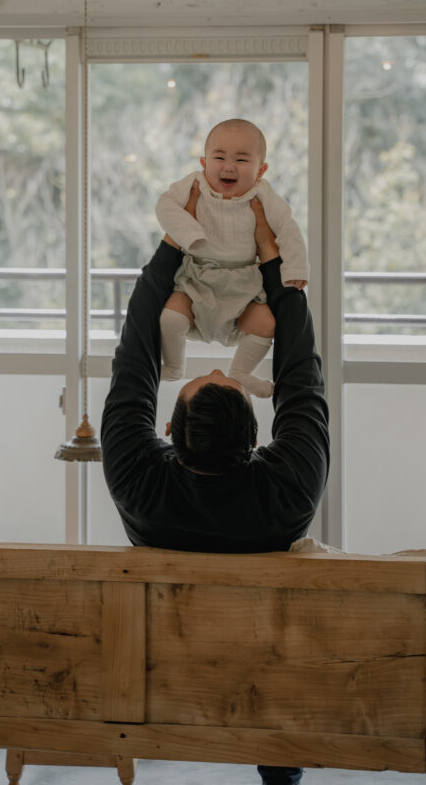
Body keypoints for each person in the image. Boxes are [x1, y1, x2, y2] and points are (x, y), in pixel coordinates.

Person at [101, 200, 329, 785]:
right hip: (266, 673)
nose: (220, 368)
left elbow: (133, 361)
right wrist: (275, 264)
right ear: (256, 438)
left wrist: (176, 241)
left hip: (162, 670)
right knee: (273, 654)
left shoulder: (137, 484)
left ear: (168, 432)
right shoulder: (290, 491)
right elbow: (302, 379)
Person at [156, 118, 308, 398]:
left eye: (241, 159)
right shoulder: (195, 184)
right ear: (204, 162)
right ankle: (174, 365)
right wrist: (189, 233)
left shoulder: (262, 193)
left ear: (260, 170)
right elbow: (165, 205)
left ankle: (240, 372)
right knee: (170, 317)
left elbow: (288, 228)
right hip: (197, 279)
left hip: (244, 286)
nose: (229, 166)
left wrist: (296, 267)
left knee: (266, 323)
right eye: (219, 157)